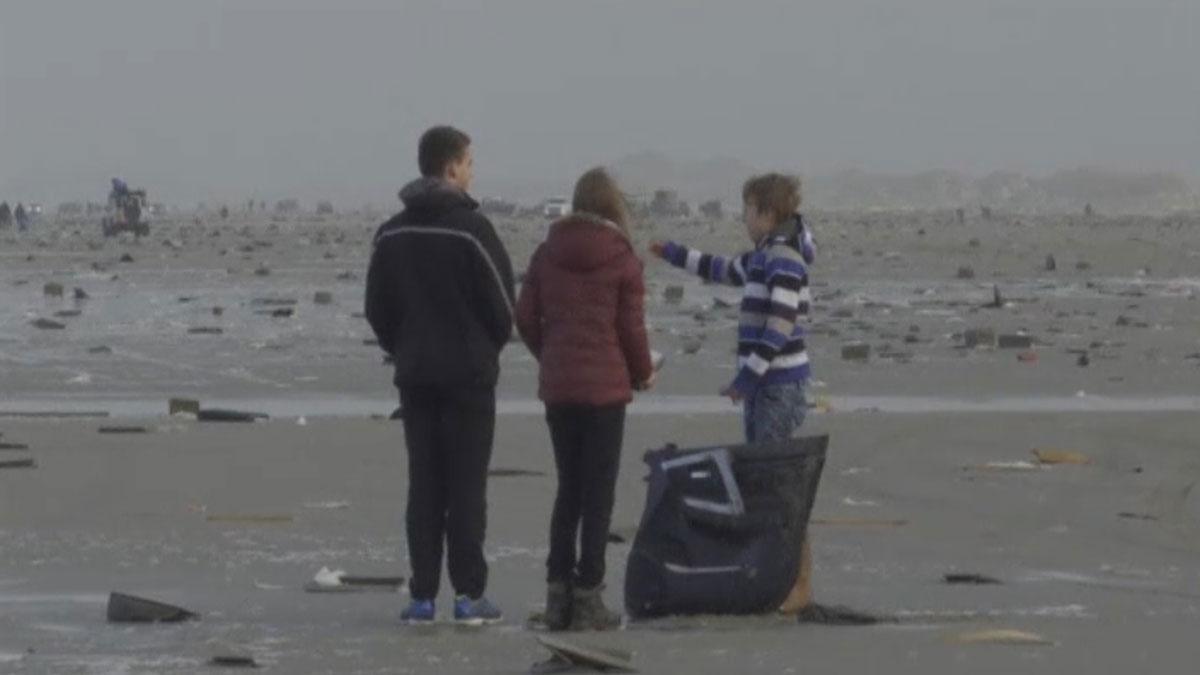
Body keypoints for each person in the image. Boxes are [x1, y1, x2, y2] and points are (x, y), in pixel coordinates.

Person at [365, 126, 516, 625]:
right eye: (469, 163)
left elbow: (376, 309)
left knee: (425, 485)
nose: (473, 172)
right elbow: (502, 308)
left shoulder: (391, 233)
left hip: (417, 376)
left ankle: (423, 595)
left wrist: (404, 347)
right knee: (466, 486)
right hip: (467, 379)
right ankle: (468, 595)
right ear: (451, 168)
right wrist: (482, 351)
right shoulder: (472, 232)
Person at [649, 173, 816, 614]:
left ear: (766, 213)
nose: (743, 219)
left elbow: (780, 326)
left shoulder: (784, 259)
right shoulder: (762, 257)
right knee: (765, 486)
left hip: (778, 387)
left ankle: (798, 584)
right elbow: (722, 269)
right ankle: (780, 579)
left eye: (747, 211)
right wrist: (674, 254)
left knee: (778, 489)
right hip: (764, 386)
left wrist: (748, 377)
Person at [516, 168, 654, 631]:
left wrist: (549, 355)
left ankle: (558, 596)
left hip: (560, 389)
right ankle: (589, 595)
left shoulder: (546, 252)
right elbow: (631, 330)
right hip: (605, 391)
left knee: (568, 491)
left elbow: (525, 317)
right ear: (614, 207)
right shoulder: (622, 258)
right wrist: (643, 373)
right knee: (598, 496)